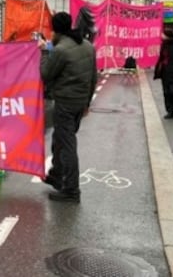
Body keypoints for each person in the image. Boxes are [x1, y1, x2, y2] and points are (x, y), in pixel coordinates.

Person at [39, 12, 97, 203]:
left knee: (67, 146)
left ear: (54, 29)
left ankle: (71, 190)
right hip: (79, 102)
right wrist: (87, 103)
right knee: (59, 140)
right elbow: (93, 77)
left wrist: (44, 52)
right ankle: (56, 175)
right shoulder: (87, 45)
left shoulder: (61, 50)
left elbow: (46, 74)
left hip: (65, 103)